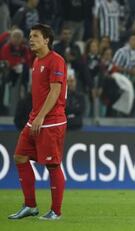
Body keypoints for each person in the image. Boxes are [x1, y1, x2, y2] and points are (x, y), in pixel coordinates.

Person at [8, 24, 67, 220]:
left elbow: (55, 91)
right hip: (35, 119)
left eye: (35, 36)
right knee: (20, 157)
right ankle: (30, 205)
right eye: (30, 36)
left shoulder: (56, 61)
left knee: (52, 165)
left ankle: (56, 211)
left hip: (51, 121)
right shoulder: (36, 60)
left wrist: (41, 116)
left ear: (47, 40)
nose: (30, 39)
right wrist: (36, 116)